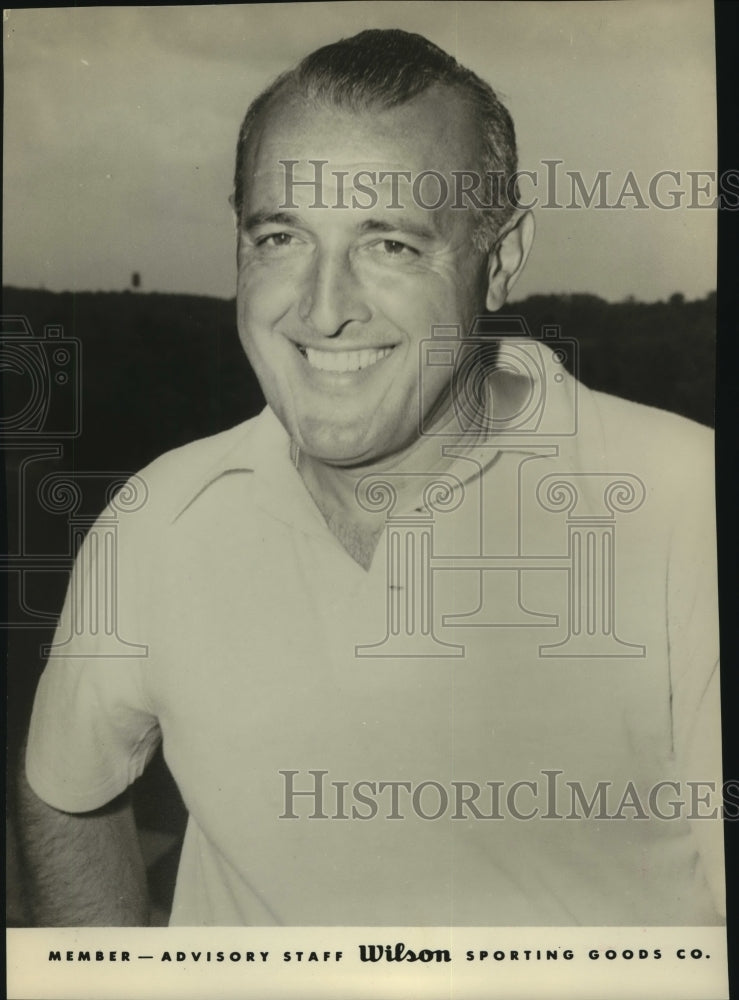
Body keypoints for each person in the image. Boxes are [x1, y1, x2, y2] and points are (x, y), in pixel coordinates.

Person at [18, 29, 724, 926]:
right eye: (281, 237)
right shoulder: (157, 516)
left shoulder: (685, 504)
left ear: (501, 259)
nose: (322, 311)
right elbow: (64, 790)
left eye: (389, 244)